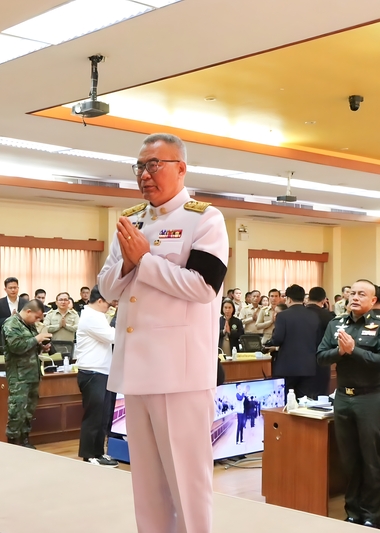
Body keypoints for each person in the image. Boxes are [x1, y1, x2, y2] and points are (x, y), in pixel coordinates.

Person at [98, 133, 229, 533]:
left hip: (179, 373)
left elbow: (203, 287)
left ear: (181, 168)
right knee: (147, 484)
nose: (145, 174)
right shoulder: (133, 220)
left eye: (154, 165)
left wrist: (145, 260)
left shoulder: (204, 218)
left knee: (187, 483)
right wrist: (128, 264)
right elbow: (107, 288)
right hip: (136, 369)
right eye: (140, 166)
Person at [316, 279, 380, 529]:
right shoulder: (336, 324)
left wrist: (353, 350)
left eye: (362, 294)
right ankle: (353, 512)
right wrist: (339, 352)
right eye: (352, 293)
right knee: (349, 459)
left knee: (370, 458)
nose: (355, 297)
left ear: (373, 300)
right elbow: (320, 357)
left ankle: (372, 515)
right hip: (343, 398)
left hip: (370, 398)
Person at [75, 286, 118, 467]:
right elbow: (113, 337)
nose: (110, 307)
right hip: (92, 372)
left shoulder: (98, 315)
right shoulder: (91, 317)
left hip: (102, 371)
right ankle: (89, 454)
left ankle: (99, 451)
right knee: (93, 416)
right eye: (108, 303)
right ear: (100, 300)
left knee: (103, 416)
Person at [3, 299, 53, 448]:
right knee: (17, 410)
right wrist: (37, 339)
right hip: (19, 376)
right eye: (36, 317)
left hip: (33, 374)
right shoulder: (11, 323)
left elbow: (30, 345)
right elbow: (16, 347)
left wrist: (41, 347)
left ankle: (25, 439)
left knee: (29, 410)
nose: (37, 321)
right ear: (28, 311)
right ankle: (12, 442)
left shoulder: (29, 325)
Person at [265, 284, 321, 399]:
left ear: (289, 299)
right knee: (304, 401)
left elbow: (278, 339)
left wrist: (269, 343)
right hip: (308, 366)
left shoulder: (283, 316)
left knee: (285, 400)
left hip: (287, 366)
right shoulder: (314, 315)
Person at [305, 286, 335, 396]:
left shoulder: (301, 313)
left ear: (308, 298)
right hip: (321, 359)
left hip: (302, 360)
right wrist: (330, 311)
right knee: (321, 395)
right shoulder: (327, 315)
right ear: (324, 300)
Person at [0, 277, 26, 345]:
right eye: (10, 288)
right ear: (5, 289)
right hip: (4, 340)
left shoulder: (25, 303)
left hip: (22, 340)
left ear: (18, 288)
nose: (13, 290)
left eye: (15, 287)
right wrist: (10, 319)